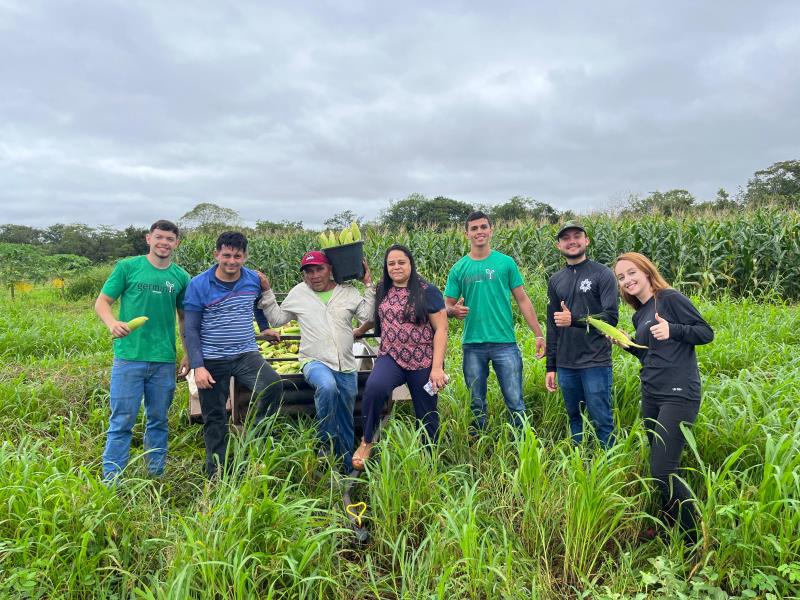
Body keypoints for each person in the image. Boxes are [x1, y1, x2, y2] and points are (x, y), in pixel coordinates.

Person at [613, 252, 714, 543]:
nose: (627, 280)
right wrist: (626, 344)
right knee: (661, 464)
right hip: (652, 393)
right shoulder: (639, 313)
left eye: (632, 273)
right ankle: (671, 525)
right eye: (621, 277)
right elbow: (649, 353)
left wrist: (674, 329)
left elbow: (706, 333)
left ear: (646, 272)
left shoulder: (669, 298)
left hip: (679, 393)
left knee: (662, 469)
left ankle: (694, 537)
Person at [258, 250, 375, 471]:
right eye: (308, 271)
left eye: (319, 269)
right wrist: (267, 291)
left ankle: (345, 465)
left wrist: (368, 284)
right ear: (304, 275)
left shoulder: (347, 292)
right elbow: (278, 319)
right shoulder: (298, 293)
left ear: (330, 269)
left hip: (346, 364)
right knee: (327, 386)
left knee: (346, 418)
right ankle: (325, 444)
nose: (314, 275)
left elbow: (367, 316)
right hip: (314, 360)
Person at [95, 219, 191, 481]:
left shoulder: (181, 277)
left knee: (159, 420)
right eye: (159, 237)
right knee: (121, 422)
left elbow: (184, 318)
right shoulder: (128, 267)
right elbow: (103, 302)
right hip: (129, 358)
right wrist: (112, 322)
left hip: (163, 360)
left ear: (176, 243)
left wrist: (188, 352)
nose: (164, 243)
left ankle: (155, 476)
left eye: (170, 239)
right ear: (149, 238)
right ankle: (111, 480)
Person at [183, 231, 283, 478]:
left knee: (272, 386)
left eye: (237, 256)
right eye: (226, 255)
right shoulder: (199, 284)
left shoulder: (252, 280)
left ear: (245, 256)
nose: (231, 261)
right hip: (212, 358)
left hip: (245, 354)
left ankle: (254, 441)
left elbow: (257, 305)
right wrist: (199, 366)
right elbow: (191, 329)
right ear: (216, 254)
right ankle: (217, 472)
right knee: (215, 417)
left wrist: (264, 328)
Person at [444, 211, 546, 431]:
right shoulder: (459, 268)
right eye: (474, 228)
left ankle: (522, 444)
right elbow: (446, 305)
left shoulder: (505, 263)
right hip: (472, 344)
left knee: (515, 401)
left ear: (490, 230)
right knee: (476, 403)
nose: (479, 232)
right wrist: (454, 310)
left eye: (483, 227)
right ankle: (480, 446)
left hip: (505, 343)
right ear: (466, 234)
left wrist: (538, 334)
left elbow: (523, 300)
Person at [351, 244, 448, 469]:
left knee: (427, 408)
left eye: (401, 262)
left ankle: (429, 455)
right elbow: (380, 316)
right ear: (386, 267)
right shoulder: (382, 288)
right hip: (391, 355)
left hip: (423, 358)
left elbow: (441, 329)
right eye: (391, 263)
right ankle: (367, 441)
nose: (396, 267)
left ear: (411, 264)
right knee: (374, 388)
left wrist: (437, 368)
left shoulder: (427, 291)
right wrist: (361, 331)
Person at [545, 222, 619, 448]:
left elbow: (611, 318)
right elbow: (553, 324)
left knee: (602, 419)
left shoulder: (603, 274)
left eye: (577, 236)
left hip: (595, 361)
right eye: (566, 238)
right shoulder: (555, 280)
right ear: (559, 246)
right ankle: (579, 462)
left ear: (586, 241)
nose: (572, 241)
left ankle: (608, 464)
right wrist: (551, 366)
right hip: (567, 364)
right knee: (574, 418)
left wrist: (575, 319)